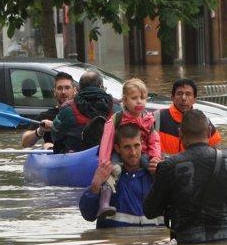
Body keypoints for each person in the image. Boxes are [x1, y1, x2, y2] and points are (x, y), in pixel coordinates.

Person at [144, 109, 227, 244]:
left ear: (180, 133)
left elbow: (150, 211)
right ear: (209, 132)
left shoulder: (169, 167)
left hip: (188, 241)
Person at [95, 78, 162, 220]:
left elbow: (154, 140)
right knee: (112, 172)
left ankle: (162, 201)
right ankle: (104, 204)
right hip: (118, 153)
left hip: (142, 154)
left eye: (142, 98)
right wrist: (104, 162)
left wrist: (155, 157)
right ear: (125, 100)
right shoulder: (117, 118)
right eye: (134, 98)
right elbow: (106, 141)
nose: (139, 102)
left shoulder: (148, 119)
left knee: (156, 171)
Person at [79, 124, 162, 228]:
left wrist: (164, 176)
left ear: (142, 144)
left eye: (136, 145)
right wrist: (95, 187)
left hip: (151, 238)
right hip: (117, 238)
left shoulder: (157, 174)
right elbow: (88, 215)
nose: (133, 152)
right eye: (127, 147)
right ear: (117, 148)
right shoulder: (107, 176)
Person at [51, 70, 113, 154]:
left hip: (77, 157)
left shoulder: (67, 108)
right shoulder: (115, 106)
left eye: (67, 88)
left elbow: (55, 136)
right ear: (101, 86)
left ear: (79, 88)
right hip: (109, 156)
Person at [155, 78, 221, 155]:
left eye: (188, 94)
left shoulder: (203, 121)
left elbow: (216, 150)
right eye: (179, 94)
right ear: (172, 97)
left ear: (194, 99)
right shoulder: (158, 118)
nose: (183, 98)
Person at [21, 72, 76, 149]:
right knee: (47, 145)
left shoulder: (83, 111)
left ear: (74, 91)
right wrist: (40, 130)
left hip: (78, 152)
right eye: (59, 88)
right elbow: (24, 143)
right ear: (54, 92)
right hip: (53, 153)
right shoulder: (46, 116)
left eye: (67, 88)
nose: (63, 92)